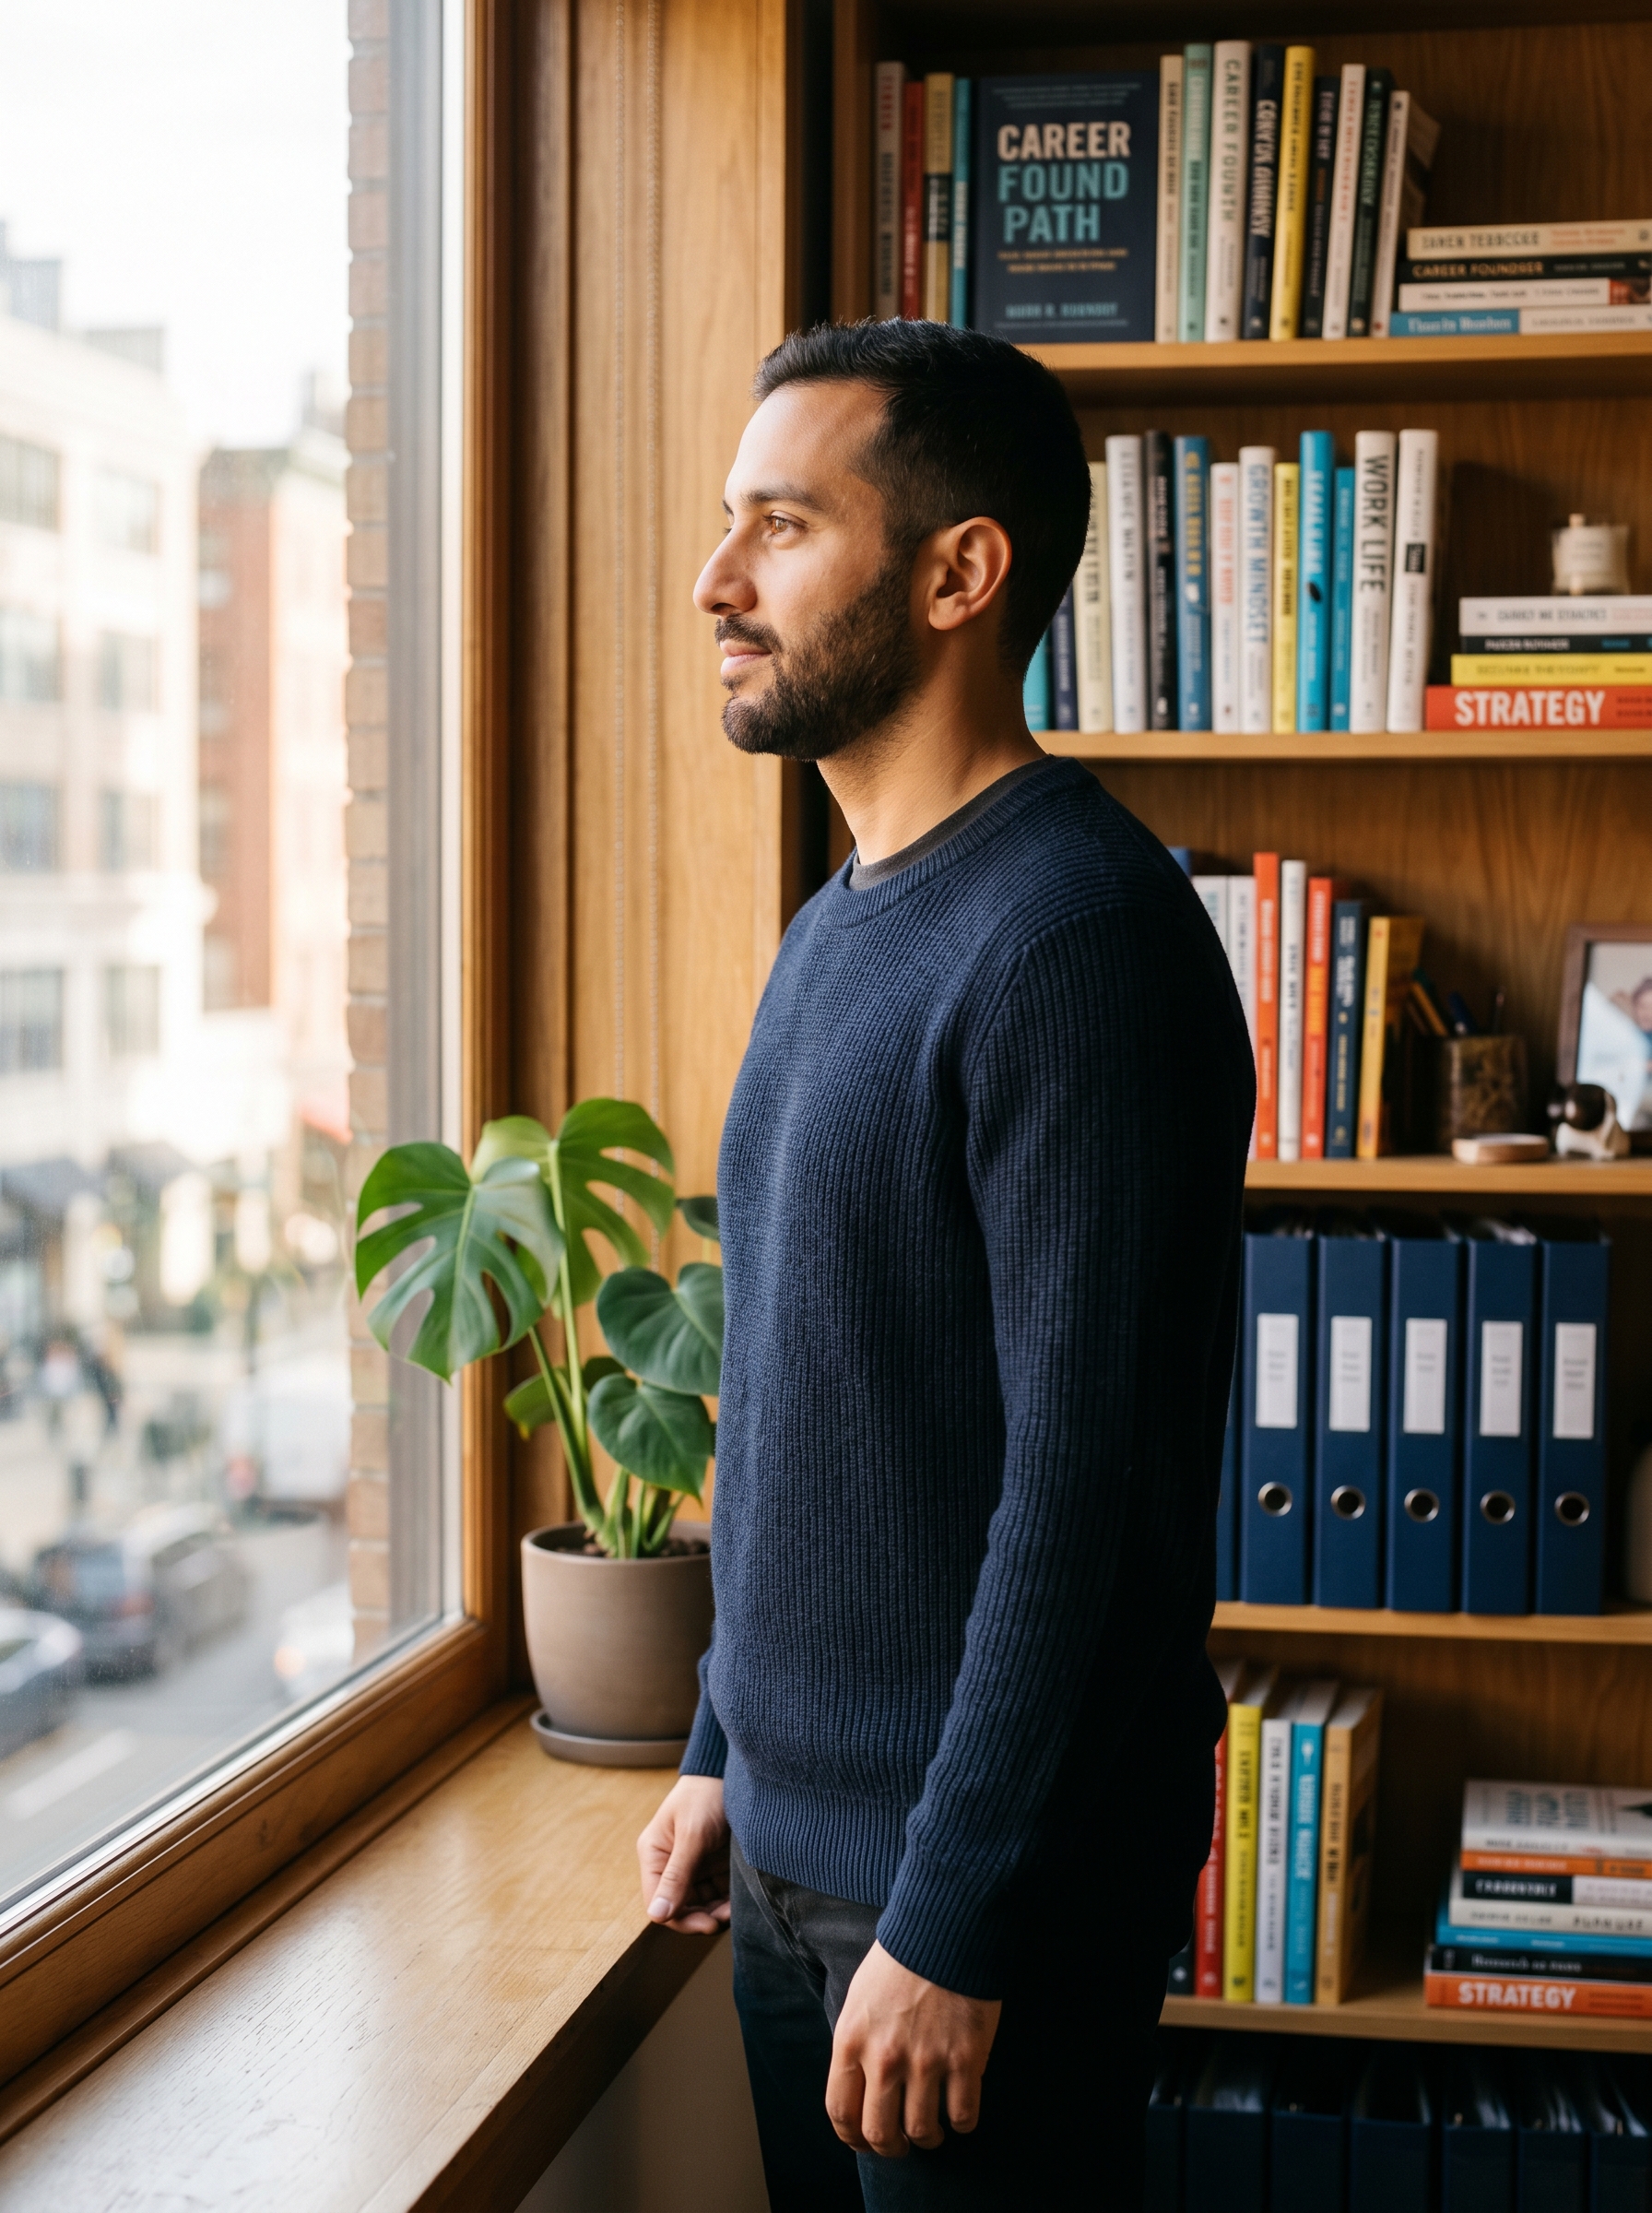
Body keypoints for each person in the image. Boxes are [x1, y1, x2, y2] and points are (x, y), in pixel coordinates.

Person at [637, 320, 1254, 2210]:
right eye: (726, 527)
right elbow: (816, 1388)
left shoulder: (1073, 938)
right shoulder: (841, 919)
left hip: (975, 1898)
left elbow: (1087, 1499)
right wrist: (722, 1737)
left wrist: (957, 1923)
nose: (713, 582)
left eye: (777, 529)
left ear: (956, 572)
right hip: (807, 1858)